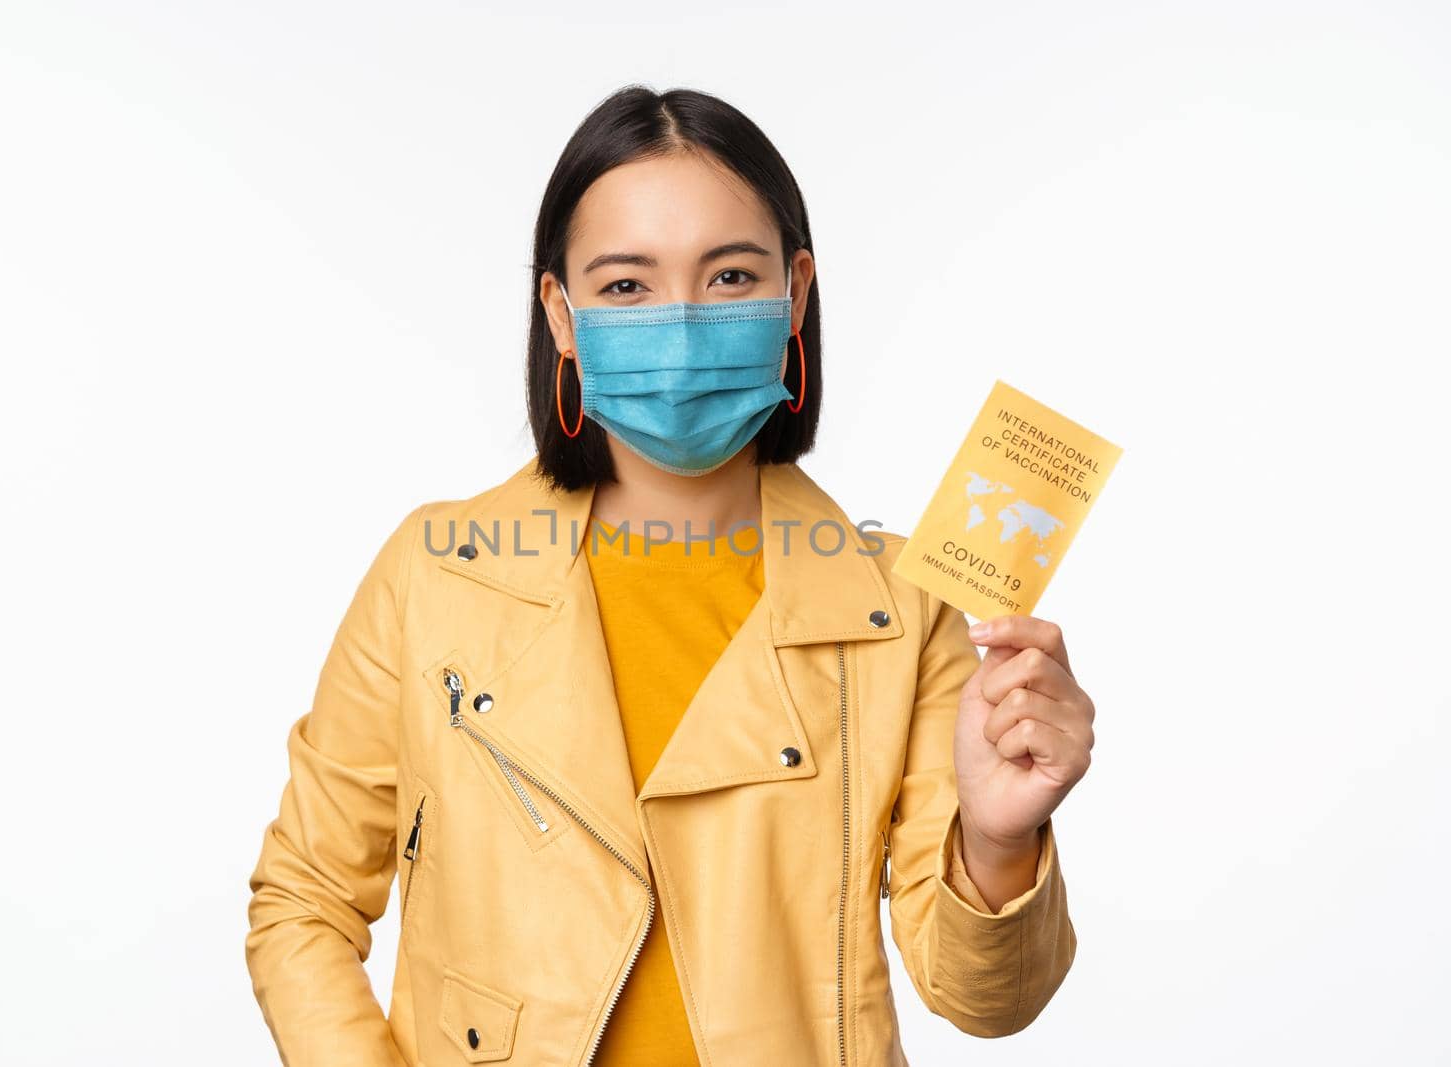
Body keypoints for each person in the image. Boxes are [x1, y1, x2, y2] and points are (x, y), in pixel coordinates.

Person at [245, 84, 1089, 1067]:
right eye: (626, 286)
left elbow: (984, 1000)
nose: (681, 329)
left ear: (795, 295)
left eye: (729, 277)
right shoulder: (432, 574)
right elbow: (302, 900)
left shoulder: (902, 603)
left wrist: (995, 840)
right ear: (560, 313)